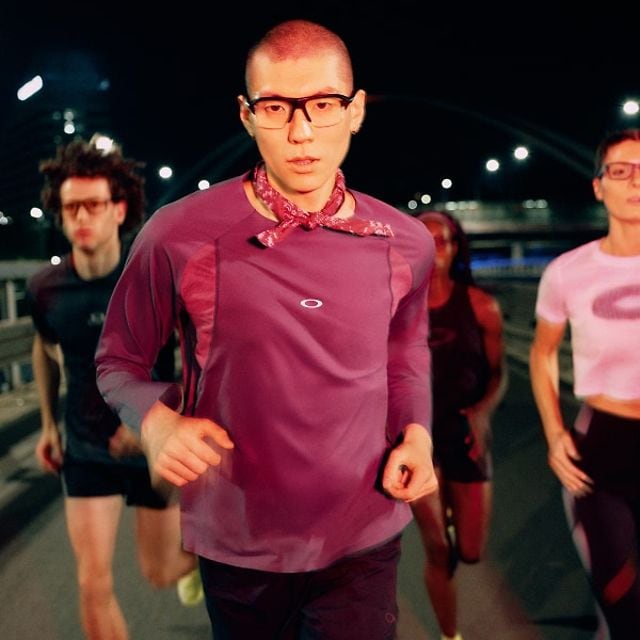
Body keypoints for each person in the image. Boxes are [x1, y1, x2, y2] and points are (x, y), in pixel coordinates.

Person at [95, 18, 438, 640]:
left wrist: (416, 432)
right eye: (276, 107)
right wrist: (156, 422)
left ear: (356, 111)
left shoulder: (407, 242)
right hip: (239, 540)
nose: (301, 132)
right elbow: (118, 360)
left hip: (362, 534)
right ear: (247, 115)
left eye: (324, 105)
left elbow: (404, 350)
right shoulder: (178, 234)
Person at [26, 136, 202, 640]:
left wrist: (160, 421)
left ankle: (202, 559)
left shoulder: (152, 274)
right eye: (71, 208)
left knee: (159, 572)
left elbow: (197, 354)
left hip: (150, 448)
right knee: (92, 584)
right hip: (86, 447)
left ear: (119, 209)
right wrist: (47, 424)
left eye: (94, 204)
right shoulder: (44, 289)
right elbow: (44, 348)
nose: (82, 216)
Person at [529, 128, 640, 639]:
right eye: (620, 170)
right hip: (603, 450)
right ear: (599, 186)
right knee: (621, 602)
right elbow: (542, 352)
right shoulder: (567, 273)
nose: (634, 182)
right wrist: (555, 433)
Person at [410, 211, 506, 640]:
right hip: (418, 438)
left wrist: (483, 411)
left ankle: (451, 514)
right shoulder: (397, 306)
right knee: (437, 549)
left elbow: (498, 373)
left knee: (469, 551)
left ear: (455, 248)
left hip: (466, 436)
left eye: (443, 240)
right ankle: (450, 635)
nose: (435, 248)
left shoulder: (481, 306)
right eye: (425, 238)